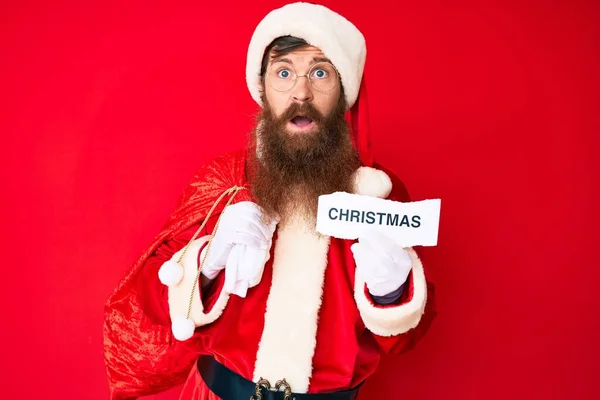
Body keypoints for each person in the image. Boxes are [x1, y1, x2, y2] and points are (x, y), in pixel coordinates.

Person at [103, 2, 437, 399]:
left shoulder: (381, 192)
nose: (301, 91)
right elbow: (149, 305)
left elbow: (404, 337)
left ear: (344, 90)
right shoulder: (224, 181)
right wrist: (207, 264)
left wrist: (392, 293)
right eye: (283, 72)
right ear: (262, 88)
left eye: (319, 72)